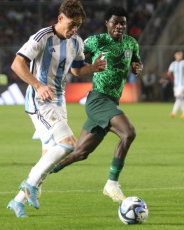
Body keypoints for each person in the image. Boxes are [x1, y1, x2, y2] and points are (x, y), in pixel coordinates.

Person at [7, 0, 107, 218]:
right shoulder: (42, 37)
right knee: (69, 144)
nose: (74, 30)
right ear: (60, 18)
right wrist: (38, 85)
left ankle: (17, 201)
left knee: (51, 157)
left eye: (78, 26)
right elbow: (17, 64)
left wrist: (94, 68)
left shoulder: (77, 42)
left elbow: (77, 70)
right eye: (71, 24)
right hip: (39, 100)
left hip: (59, 102)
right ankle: (30, 184)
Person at [50, 6, 143, 203]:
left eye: (123, 23)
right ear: (107, 24)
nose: (119, 26)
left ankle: (44, 172)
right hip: (98, 99)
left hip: (111, 102)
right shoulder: (96, 41)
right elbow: (75, 57)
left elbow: (136, 61)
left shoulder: (131, 43)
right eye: (115, 22)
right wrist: (86, 66)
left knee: (80, 153)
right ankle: (112, 184)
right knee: (129, 133)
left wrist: (137, 66)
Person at [167, 50, 184, 118]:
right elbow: (169, 72)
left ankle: (173, 112)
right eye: (178, 54)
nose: (179, 56)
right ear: (175, 55)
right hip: (176, 84)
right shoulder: (173, 64)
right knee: (180, 97)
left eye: (180, 54)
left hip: (183, 83)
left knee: (179, 96)